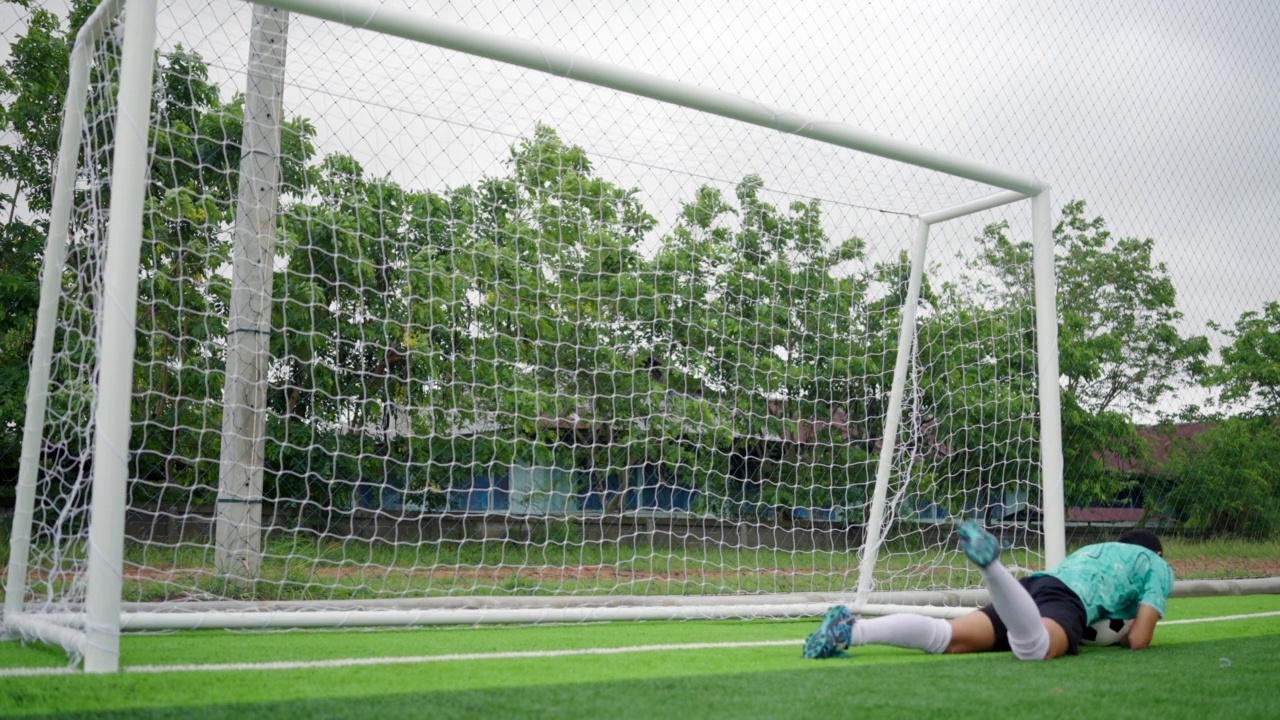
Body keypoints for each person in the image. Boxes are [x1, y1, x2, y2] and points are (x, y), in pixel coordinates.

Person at [803, 521, 1175, 661]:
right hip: (1066, 599)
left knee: (947, 637)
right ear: (1155, 552)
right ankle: (991, 567)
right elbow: (1141, 639)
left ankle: (849, 631)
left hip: (1034, 585)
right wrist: (1124, 635)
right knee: (1037, 650)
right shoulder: (1157, 564)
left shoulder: (1100, 550)